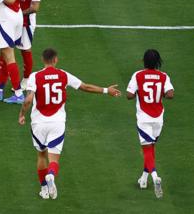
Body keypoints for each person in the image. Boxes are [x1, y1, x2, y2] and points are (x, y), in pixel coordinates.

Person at [18, 48, 121, 199]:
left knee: (41, 155)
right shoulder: (64, 75)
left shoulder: (35, 76)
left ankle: (44, 190)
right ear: (55, 60)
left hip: (38, 123)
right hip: (57, 123)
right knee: (54, 158)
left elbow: (28, 100)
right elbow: (85, 87)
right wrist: (106, 90)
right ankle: (51, 176)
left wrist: (21, 114)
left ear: (43, 60)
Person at [126, 49, 174, 198]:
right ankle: (144, 179)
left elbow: (129, 95)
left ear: (143, 61)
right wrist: (161, 94)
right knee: (151, 148)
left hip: (144, 118)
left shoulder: (138, 75)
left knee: (147, 150)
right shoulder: (163, 76)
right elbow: (171, 94)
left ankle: (155, 177)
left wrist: (137, 93)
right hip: (158, 118)